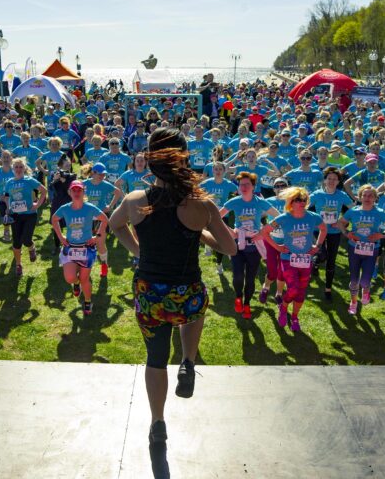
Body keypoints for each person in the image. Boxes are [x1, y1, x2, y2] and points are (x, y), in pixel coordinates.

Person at [108, 127, 235, 445]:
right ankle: (188, 362)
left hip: (150, 296)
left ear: (151, 161)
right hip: (187, 294)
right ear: (184, 161)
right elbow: (230, 248)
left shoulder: (135, 200)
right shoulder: (201, 205)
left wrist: (139, 251)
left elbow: (114, 225)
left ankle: (157, 423)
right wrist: (201, 231)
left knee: (155, 358)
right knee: (196, 307)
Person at [260, 186, 326, 333]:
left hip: (306, 260)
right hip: (288, 259)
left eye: (303, 199)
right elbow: (265, 232)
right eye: (297, 200)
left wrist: (317, 246)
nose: (301, 202)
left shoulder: (313, 216)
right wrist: (277, 247)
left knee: (301, 292)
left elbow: (323, 228)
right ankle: (284, 308)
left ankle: (295, 317)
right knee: (293, 288)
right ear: (290, 202)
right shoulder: (284, 217)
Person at [220, 171, 279, 319]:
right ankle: (238, 297)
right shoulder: (234, 201)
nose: (243, 187)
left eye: (247, 184)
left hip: (254, 245)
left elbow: (279, 216)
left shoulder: (260, 202)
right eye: (241, 185)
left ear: (253, 186)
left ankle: (247, 304)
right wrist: (230, 231)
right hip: (238, 243)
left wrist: (264, 231)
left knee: (251, 278)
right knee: (238, 276)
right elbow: (216, 216)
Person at [336, 184, 385, 314]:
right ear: (360, 197)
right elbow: (340, 223)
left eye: (370, 195)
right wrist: (347, 233)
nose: (367, 198)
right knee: (354, 279)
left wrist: (382, 234)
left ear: (375, 198)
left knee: (365, 280)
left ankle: (366, 290)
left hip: (372, 249)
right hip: (354, 248)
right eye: (365, 195)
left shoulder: (379, 212)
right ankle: (353, 302)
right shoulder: (354, 211)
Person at [52, 180, 108, 314]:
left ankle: (88, 301)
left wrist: (97, 236)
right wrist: (61, 237)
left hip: (86, 249)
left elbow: (104, 219)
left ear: (83, 192)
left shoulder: (89, 207)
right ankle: (75, 283)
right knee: (70, 278)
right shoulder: (65, 208)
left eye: (79, 190)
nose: (77, 193)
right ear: (69, 192)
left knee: (85, 279)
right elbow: (54, 219)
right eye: (74, 190)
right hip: (70, 247)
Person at [308, 167, 352, 300]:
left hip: (334, 231)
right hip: (319, 230)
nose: (332, 181)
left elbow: (355, 210)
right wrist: (312, 220)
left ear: (338, 181)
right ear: (325, 180)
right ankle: (315, 262)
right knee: (322, 255)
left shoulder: (342, 195)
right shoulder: (316, 195)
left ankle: (328, 289)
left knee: (331, 260)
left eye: (334, 179)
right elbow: (303, 208)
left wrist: (342, 222)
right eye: (329, 179)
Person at [4, 158, 46, 275]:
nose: (18, 169)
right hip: (15, 215)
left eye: (20, 167)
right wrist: (8, 208)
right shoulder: (9, 183)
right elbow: (7, 197)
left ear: (24, 168)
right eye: (16, 167)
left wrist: (37, 204)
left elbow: (44, 190)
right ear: (12, 169)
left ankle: (31, 248)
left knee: (26, 239)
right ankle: (18, 265)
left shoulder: (29, 180)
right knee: (16, 242)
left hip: (29, 215)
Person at [49, 154, 78, 254]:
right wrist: (55, 179)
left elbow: (70, 190)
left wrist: (64, 181)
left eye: (69, 165)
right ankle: (57, 246)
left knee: (72, 224)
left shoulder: (73, 176)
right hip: (57, 202)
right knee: (56, 225)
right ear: (60, 166)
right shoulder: (55, 174)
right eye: (66, 166)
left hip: (69, 202)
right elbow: (51, 187)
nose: (68, 167)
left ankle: (72, 244)